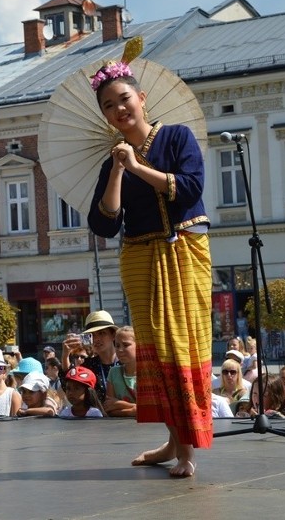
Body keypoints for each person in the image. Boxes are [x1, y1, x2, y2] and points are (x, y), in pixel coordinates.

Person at [87, 52, 212, 477]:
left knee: (180, 344)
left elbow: (191, 188)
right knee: (154, 352)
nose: (119, 109)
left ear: (141, 98)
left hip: (180, 250)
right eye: (109, 105)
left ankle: (186, 449)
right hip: (138, 255)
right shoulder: (112, 161)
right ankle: (173, 441)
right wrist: (120, 171)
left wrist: (139, 167)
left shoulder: (176, 137)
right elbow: (104, 224)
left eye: (124, 99)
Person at [62, 310, 118, 402]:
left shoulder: (126, 362)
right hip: (95, 416)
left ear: (113, 335)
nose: (97, 339)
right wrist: (65, 356)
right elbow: (70, 390)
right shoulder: (88, 366)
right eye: (92, 335)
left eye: (102, 333)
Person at [104, 326, 137, 417]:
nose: (120, 350)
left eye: (126, 345)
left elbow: (151, 409)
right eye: (117, 345)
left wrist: (119, 404)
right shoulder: (113, 373)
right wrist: (133, 410)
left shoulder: (148, 374)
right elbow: (109, 408)